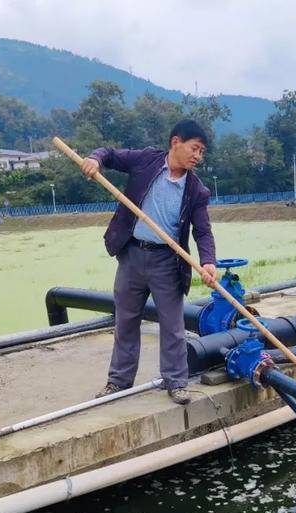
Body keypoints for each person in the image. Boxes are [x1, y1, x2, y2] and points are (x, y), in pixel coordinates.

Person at [81, 119, 218, 405]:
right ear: (175, 142)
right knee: (126, 320)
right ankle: (118, 382)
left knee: (172, 324)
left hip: (168, 261)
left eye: (202, 152)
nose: (197, 156)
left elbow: (203, 231)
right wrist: (94, 159)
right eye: (195, 148)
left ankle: (176, 382)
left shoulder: (196, 190)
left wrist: (208, 262)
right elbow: (109, 153)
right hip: (131, 254)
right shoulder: (146, 161)